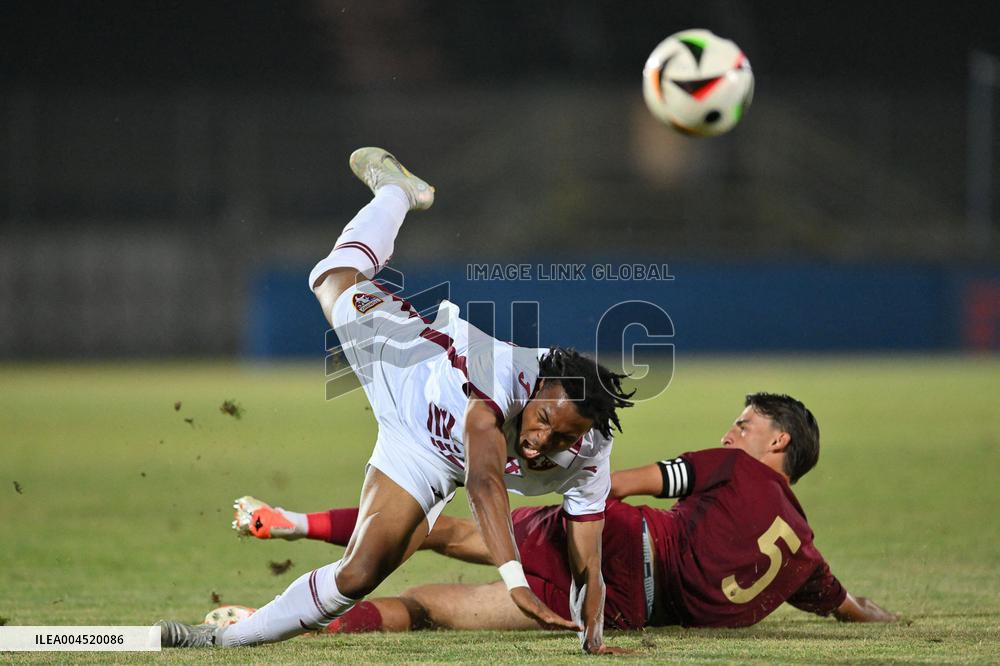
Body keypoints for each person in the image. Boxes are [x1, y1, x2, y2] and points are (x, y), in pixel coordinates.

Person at [157, 148, 635, 654]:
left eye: (564, 436)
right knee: (329, 279)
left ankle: (221, 641)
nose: (542, 439)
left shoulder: (590, 456)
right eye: (542, 420)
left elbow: (588, 560)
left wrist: (593, 639)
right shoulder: (505, 371)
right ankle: (395, 191)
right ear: (535, 390)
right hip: (407, 364)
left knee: (358, 575)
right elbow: (484, 479)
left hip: (427, 454)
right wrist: (515, 581)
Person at [215, 393, 897, 634]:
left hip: (613, 545)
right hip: (618, 608)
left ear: (778, 442)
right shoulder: (804, 552)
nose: (729, 433)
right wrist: (883, 616)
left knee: (442, 530)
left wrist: (544, 475)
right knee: (425, 608)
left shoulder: (735, 468)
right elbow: (848, 607)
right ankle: (305, 628)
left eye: (743, 425)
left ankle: (296, 526)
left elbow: (615, 486)